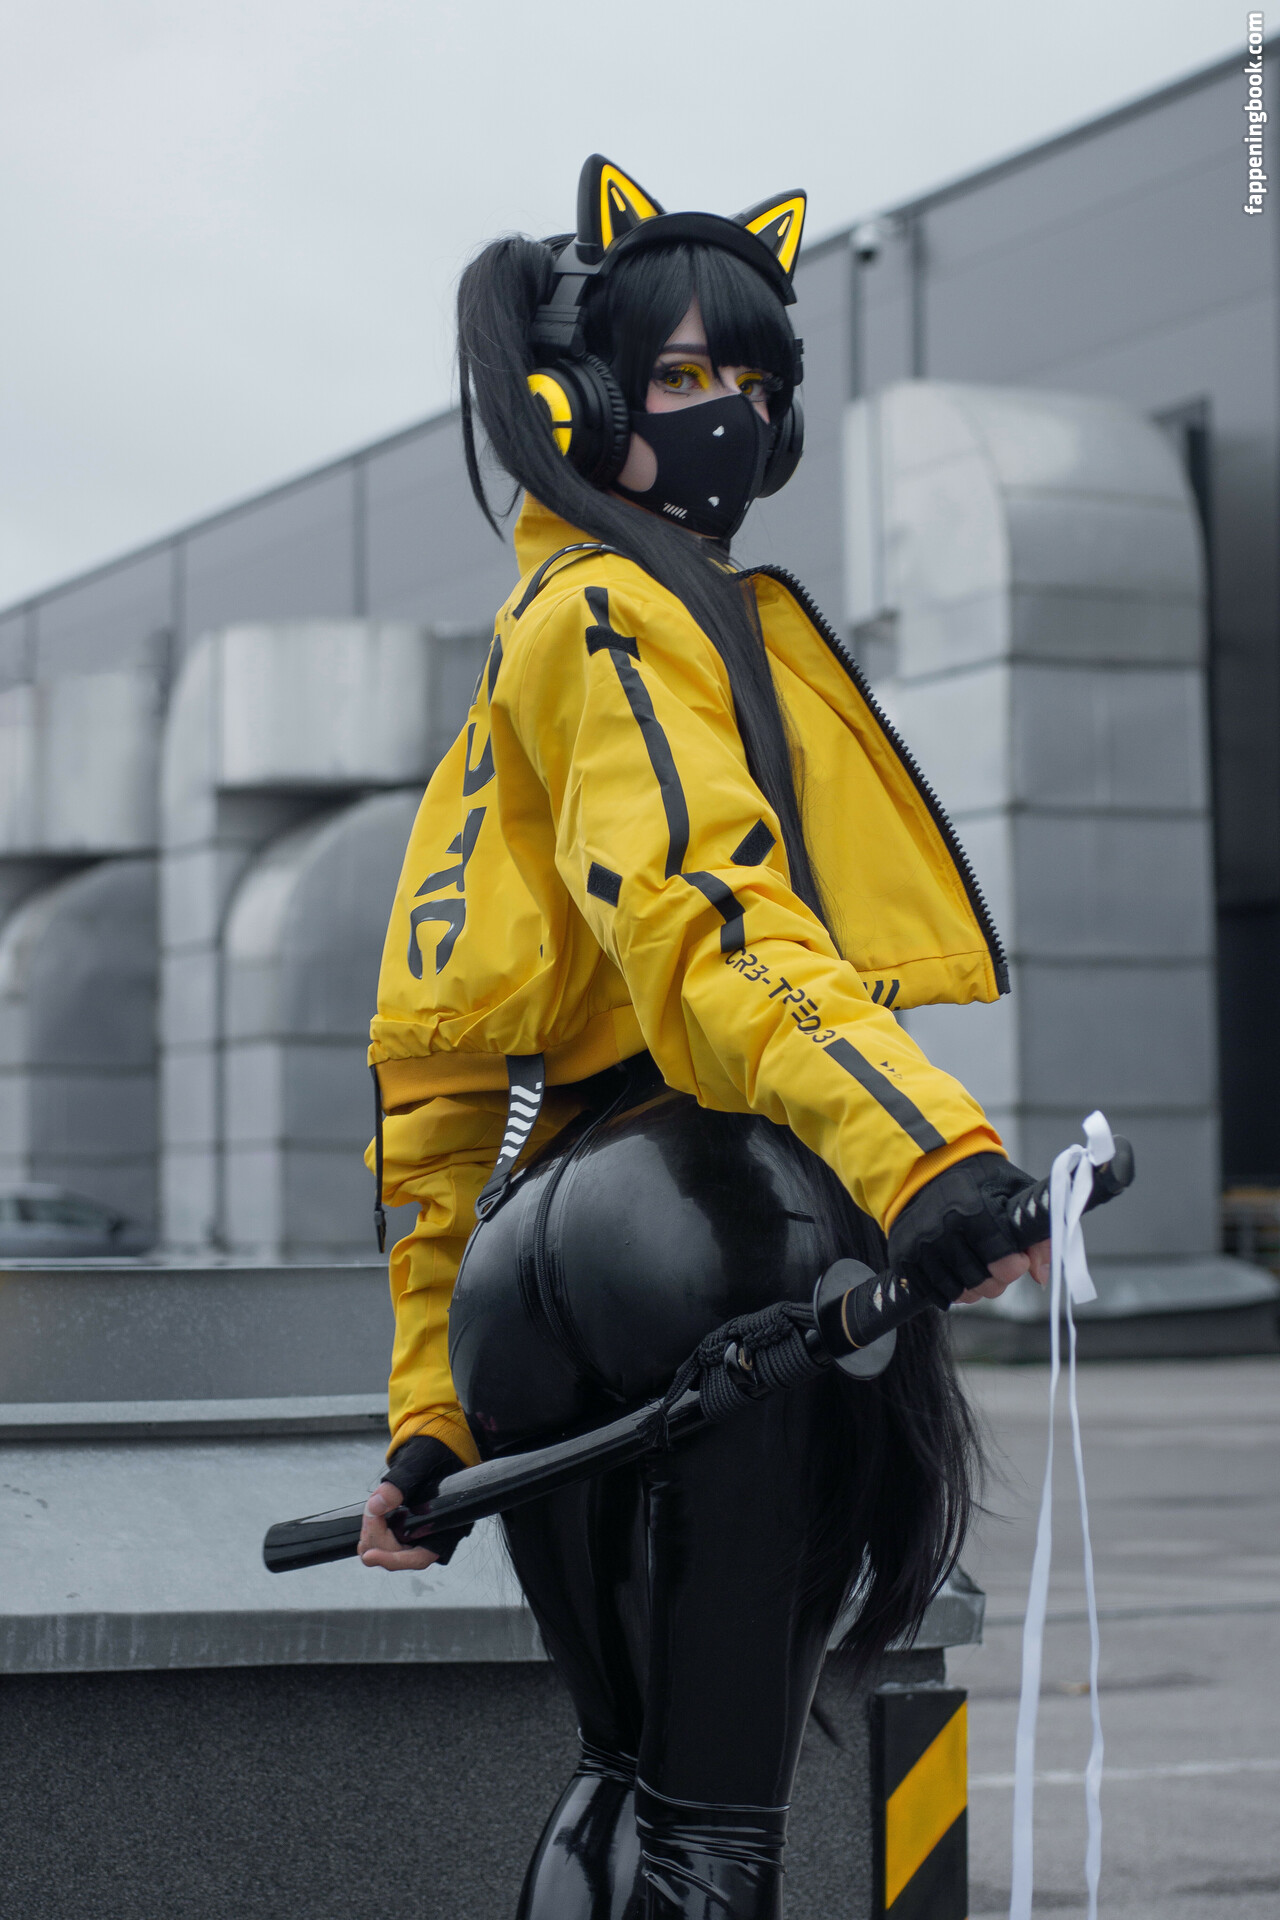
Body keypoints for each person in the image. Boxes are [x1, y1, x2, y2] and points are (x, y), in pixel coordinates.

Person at [356, 156, 1049, 1919]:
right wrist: (929, 1152)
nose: (730, 413)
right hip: (703, 1220)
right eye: (679, 377)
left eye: (755, 381)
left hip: (536, 1274)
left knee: (630, 1773)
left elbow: (431, 1080)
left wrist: (431, 1410)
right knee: (718, 1826)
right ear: (575, 406)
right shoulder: (619, 612)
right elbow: (709, 922)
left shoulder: (513, 668)